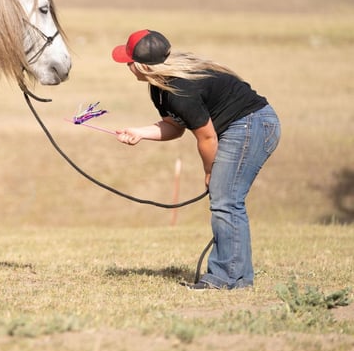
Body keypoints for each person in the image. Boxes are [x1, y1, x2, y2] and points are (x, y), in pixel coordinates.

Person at [111, 29, 281, 290]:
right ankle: (239, 278)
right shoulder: (161, 86)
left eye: (129, 62)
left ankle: (224, 278)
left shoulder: (180, 89)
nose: (128, 67)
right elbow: (176, 126)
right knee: (228, 200)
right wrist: (140, 133)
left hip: (251, 126)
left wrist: (210, 172)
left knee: (225, 199)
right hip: (246, 126)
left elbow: (207, 138)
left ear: (142, 65)